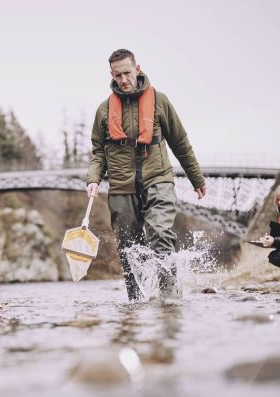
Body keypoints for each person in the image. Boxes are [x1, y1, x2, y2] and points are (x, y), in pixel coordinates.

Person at [86, 49, 206, 301]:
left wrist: (197, 178)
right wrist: (93, 179)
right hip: (121, 187)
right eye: (117, 75)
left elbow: (180, 142)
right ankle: (136, 303)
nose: (123, 80)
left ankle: (169, 300)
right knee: (129, 249)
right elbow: (98, 153)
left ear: (137, 69)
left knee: (161, 235)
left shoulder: (160, 101)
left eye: (127, 73)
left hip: (158, 179)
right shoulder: (103, 110)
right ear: (112, 74)